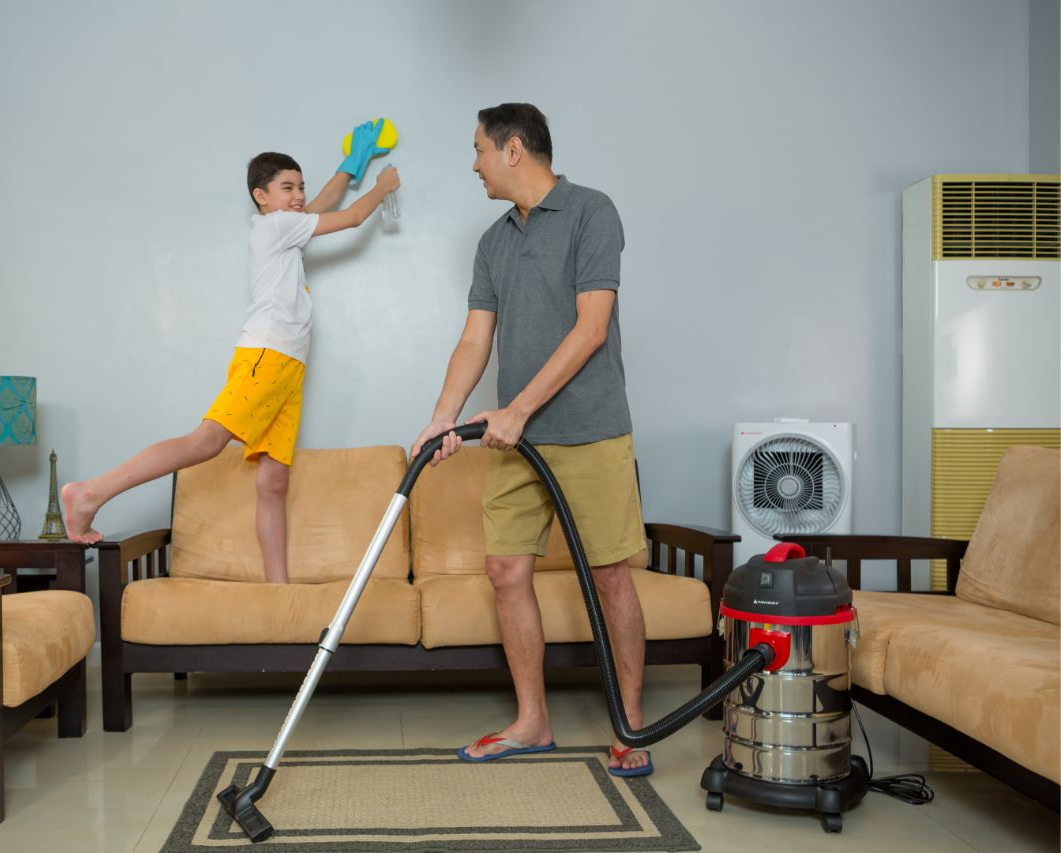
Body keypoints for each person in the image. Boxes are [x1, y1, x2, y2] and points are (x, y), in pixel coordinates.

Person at [410, 103, 652, 776]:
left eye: (480, 149)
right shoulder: (494, 242)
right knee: (505, 570)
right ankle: (532, 720)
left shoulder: (591, 212)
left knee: (609, 577)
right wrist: (443, 413)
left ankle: (630, 725)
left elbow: (591, 328)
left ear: (515, 149)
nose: (474, 163)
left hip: (592, 430)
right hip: (514, 441)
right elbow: (474, 338)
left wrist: (515, 407)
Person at [63, 122, 400, 585]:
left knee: (273, 483)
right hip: (266, 355)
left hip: (289, 367)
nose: (299, 194)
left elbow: (320, 206)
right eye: (287, 187)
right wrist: (381, 187)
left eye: (300, 186)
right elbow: (351, 218)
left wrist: (353, 163)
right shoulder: (275, 226)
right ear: (262, 197)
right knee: (206, 443)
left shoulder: (286, 228)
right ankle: (89, 493)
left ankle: (277, 595)